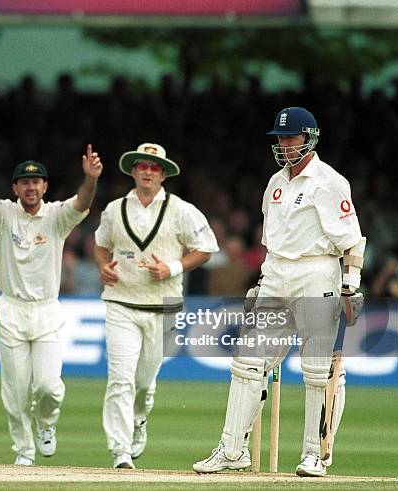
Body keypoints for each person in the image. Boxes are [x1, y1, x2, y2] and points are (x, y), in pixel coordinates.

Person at [193, 107, 365, 477]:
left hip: (316, 273)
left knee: (318, 372)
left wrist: (350, 287)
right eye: (280, 138)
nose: (284, 144)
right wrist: (262, 281)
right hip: (277, 275)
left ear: (309, 139)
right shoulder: (275, 183)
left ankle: (314, 455)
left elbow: (352, 240)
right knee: (247, 362)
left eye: (291, 137)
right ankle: (233, 449)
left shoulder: (330, 182)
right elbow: (271, 241)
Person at [0, 131, 102, 466]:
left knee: (49, 388)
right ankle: (24, 452)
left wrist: (90, 179)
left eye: (36, 182)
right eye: (24, 182)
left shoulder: (56, 217)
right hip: (11, 310)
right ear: (15, 189)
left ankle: (47, 424)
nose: (30, 187)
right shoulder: (2, 214)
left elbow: (82, 203)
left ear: (45, 187)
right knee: (16, 393)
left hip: (46, 312)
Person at [94, 143, 219, 469]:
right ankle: (120, 451)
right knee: (120, 378)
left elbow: (206, 248)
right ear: (133, 171)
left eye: (154, 167)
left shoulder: (181, 210)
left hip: (163, 306)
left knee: (144, 383)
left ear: (163, 174)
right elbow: (100, 245)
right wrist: (102, 267)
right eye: (142, 166)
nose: (148, 171)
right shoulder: (114, 209)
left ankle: (139, 417)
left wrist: (172, 268)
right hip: (121, 303)